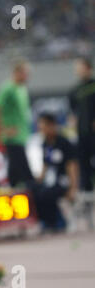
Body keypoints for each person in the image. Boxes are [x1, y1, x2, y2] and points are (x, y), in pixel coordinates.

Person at [29, 113, 79, 233]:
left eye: (43, 125)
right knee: (33, 191)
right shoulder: (45, 144)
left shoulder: (64, 143)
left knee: (47, 194)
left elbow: (72, 166)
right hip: (50, 180)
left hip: (63, 180)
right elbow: (45, 166)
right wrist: (38, 181)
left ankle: (58, 222)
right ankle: (46, 221)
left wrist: (73, 188)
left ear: (52, 125)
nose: (41, 129)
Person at [0, 59, 33, 188]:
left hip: (21, 135)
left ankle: (15, 194)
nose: (28, 76)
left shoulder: (21, 88)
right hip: (12, 137)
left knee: (15, 171)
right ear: (17, 72)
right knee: (25, 173)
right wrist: (3, 129)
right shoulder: (7, 88)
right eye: (26, 73)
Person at [68, 57, 95, 195]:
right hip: (82, 132)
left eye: (81, 67)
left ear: (88, 68)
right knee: (83, 161)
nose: (78, 70)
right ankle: (87, 190)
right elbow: (73, 112)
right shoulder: (74, 91)